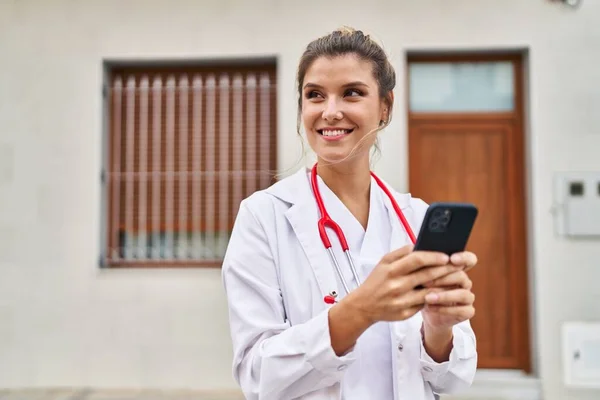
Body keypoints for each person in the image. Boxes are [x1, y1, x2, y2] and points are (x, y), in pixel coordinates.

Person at [221, 27, 478, 400]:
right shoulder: (264, 217)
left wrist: (439, 330)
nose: (330, 111)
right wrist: (358, 311)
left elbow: (453, 381)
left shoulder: (416, 218)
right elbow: (257, 377)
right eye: (314, 96)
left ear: (385, 106)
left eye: (352, 93)